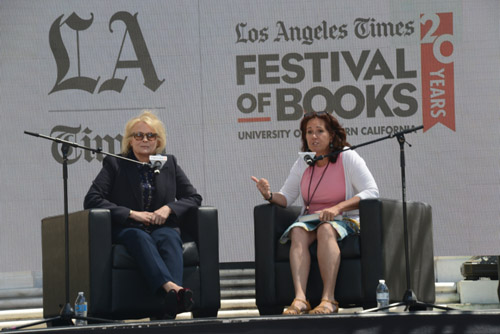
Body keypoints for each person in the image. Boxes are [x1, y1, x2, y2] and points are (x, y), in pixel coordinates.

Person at [251, 111, 379, 315]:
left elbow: (372, 191)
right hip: (312, 219)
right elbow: (285, 197)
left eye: (320, 131)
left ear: (331, 135)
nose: (313, 136)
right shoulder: (304, 162)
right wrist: (268, 195)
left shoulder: (347, 156)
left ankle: (329, 299)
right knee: (298, 232)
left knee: (326, 229)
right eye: (309, 132)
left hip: (343, 218)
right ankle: (300, 298)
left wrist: (337, 208)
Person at [84, 110, 202, 318]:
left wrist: (169, 209)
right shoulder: (116, 163)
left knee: (169, 237)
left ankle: (169, 307)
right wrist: (131, 214)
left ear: (158, 141)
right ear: (130, 141)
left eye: (151, 135)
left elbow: (193, 197)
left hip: (160, 227)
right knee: (139, 237)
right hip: (129, 227)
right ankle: (173, 290)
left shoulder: (167, 162)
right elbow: (92, 199)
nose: (144, 140)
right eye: (138, 135)